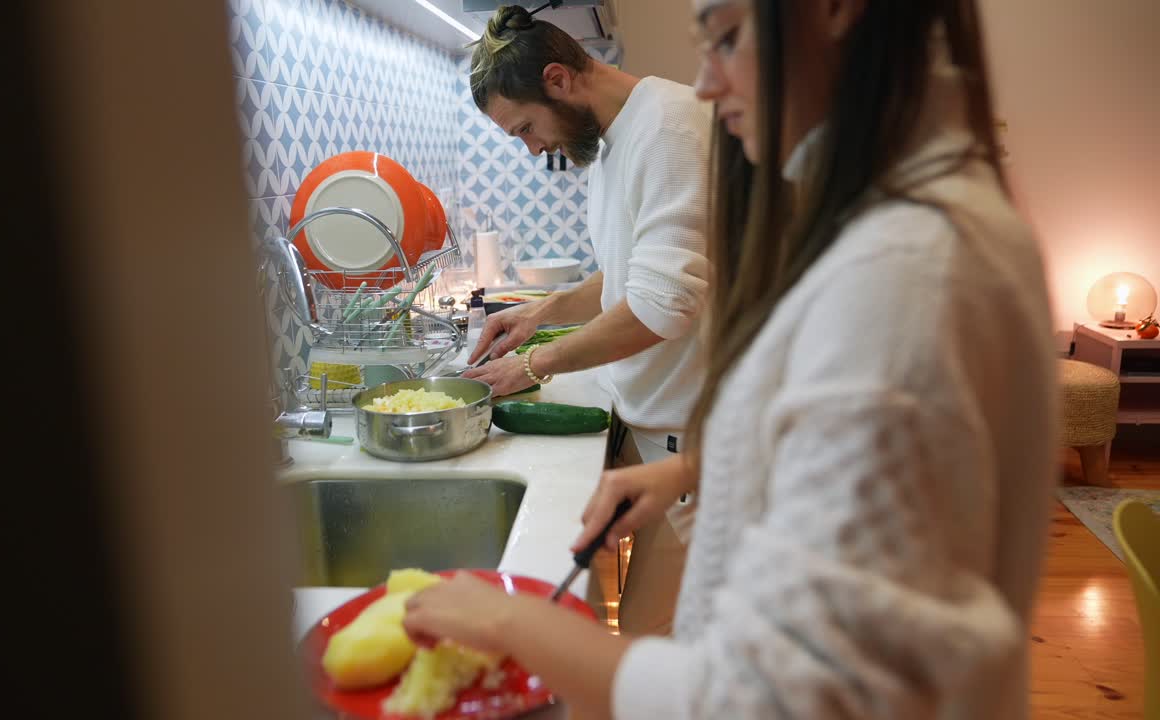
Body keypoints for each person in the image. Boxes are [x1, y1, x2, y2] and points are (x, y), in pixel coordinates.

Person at [404, 1, 1058, 718]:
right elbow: (855, 453)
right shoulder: (903, 229)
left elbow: (762, 699)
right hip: (681, 455)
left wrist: (505, 618)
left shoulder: (902, 274)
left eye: (727, 37)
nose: (708, 87)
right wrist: (693, 469)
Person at [461, 4, 712, 634]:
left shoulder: (670, 126)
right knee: (656, 626)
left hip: (698, 441)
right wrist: (537, 314)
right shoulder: (612, 139)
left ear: (558, 79)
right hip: (660, 433)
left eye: (523, 128)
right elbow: (631, 272)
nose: (531, 147)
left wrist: (534, 364)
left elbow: (661, 306)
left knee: (699, 648)